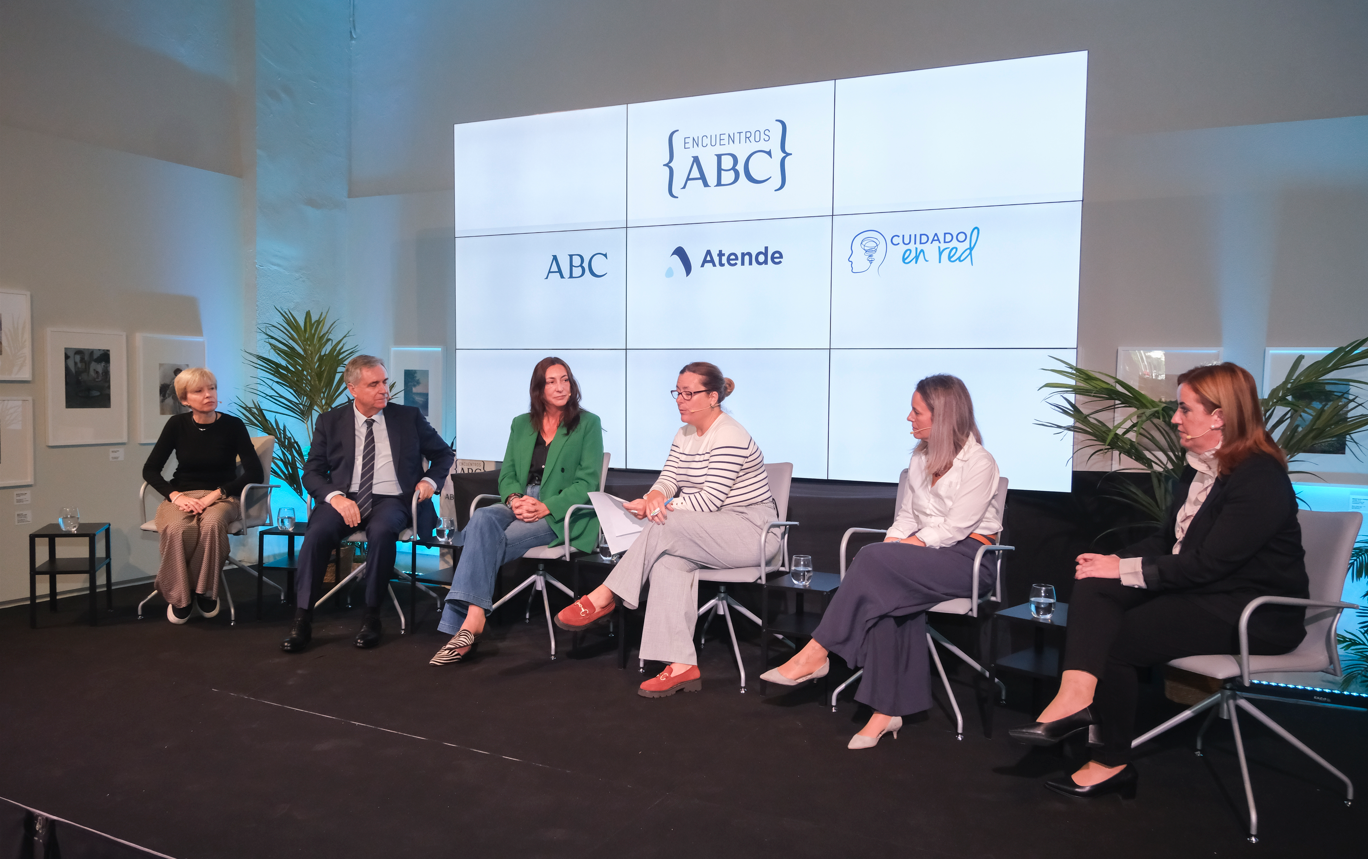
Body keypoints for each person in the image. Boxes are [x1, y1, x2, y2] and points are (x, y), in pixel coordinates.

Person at [1008, 362, 1308, 799]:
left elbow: (1208, 564)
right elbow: (1167, 541)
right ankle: (1074, 695)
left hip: (1253, 613)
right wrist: (1112, 561)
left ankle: (1109, 761)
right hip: (1207, 594)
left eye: (1184, 409)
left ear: (1219, 415)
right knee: (1094, 582)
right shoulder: (1199, 468)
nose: (1174, 418)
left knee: (1122, 638)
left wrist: (1124, 569)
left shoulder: (1259, 477)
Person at [762, 374, 1001, 748]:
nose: (909, 417)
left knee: (875, 562)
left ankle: (817, 651)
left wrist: (900, 550)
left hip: (969, 559)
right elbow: (906, 517)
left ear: (943, 416)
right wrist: (896, 546)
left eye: (917, 411)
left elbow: (956, 528)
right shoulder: (921, 458)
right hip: (924, 555)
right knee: (885, 595)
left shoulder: (980, 462)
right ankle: (886, 713)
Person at [555, 362, 776, 698]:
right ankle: (681, 665)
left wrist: (658, 509)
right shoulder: (684, 433)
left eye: (689, 394)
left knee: (667, 523)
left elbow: (710, 500)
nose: (680, 400)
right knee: (668, 561)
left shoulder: (730, 433)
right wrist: (650, 498)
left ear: (713, 397)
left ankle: (606, 595)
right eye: (677, 392)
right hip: (707, 530)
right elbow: (670, 479)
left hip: (751, 530)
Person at [429, 358, 603, 665]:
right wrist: (513, 499)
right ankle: (474, 617)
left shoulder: (587, 423)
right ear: (539, 388)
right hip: (521, 499)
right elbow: (507, 474)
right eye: (552, 381)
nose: (561, 387)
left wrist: (546, 505)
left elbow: (587, 482)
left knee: (481, 540)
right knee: (482, 517)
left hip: (560, 511)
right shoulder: (521, 424)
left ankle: (470, 622)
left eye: (565, 380)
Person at [281, 355, 454, 653]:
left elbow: (443, 455)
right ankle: (302, 619)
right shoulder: (330, 421)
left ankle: (371, 615)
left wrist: (430, 482)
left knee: (383, 530)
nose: (383, 389)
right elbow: (311, 472)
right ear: (353, 389)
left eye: (385, 382)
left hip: (394, 499)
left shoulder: (408, 417)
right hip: (343, 499)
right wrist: (335, 498)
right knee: (317, 533)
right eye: (374, 384)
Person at [142, 368, 264, 624]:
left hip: (223, 496)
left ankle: (205, 592)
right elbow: (150, 470)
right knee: (176, 528)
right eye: (199, 391)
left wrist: (215, 496)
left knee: (211, 523)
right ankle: (181, 595)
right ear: (185, 400)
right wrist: (176, 496)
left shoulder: (233, 425)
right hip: (183, 494)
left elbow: (254, 472)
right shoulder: (176, 425)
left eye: (212, 388)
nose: (208, 395)